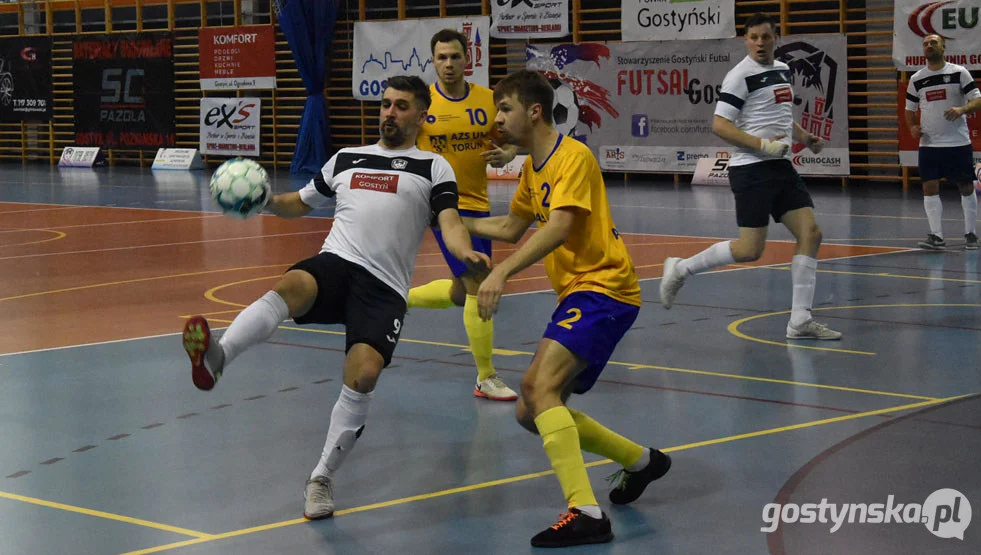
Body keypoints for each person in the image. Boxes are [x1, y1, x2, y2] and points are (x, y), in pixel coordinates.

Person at [181, 75, 490, 520]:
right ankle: (219, 355)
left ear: (422, 116)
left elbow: (450, 221)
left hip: (384, 287)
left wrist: (463, 254)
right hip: (338, 262)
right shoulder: (347, 158)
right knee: (292, 285)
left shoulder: (433, 167)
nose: (390, 112)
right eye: (385, 104)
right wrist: (264, 200)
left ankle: (321, 476)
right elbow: (299, 203)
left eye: (402, 106)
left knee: (363, 374)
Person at [464, 69, 671, 547]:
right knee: (529, 410)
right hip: (580, 292)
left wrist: (500, 273)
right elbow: (513, 226)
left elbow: (557, 228)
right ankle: (642, 461)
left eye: (506, 109)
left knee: (538, 388)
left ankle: (587, 513)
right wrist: (451, 218)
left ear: (534, 111)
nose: (498, 118)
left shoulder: (571, 157)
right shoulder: (532, 168)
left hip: (604, 287)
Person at [660, 12, 842, 341]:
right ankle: (680, 268)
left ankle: (799, 320)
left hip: (781, 167)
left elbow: (781, 116)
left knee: (811, 234)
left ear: (776, 38)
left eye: (765, 37)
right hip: (751, 170)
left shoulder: (783, 70)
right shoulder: (739, 76)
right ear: (746, 40)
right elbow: (720, 125)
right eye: (753, 37)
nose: (760, 43)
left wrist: (804, 137)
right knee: (749, 250)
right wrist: (762, 146)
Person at [408, 29, 520, 401]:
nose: (449, 64)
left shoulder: (489, 100)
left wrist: (507, 154)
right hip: (441, 205)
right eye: (442, 57)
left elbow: (515, 135)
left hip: (479, 204)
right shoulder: (422, 105)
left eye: (456, 56)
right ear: (433, 60)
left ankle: (396, 297)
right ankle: (486, 377)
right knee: (477, 283)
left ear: (466, 59)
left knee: (461, 291)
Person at [904, 33, 981, 251]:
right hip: (929, 145)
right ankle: (936, 236)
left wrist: (962, 109)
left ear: (943, 46)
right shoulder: (916, 79)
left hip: (957, 143)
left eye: (933, 43)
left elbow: (978, 99)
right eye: (926, 44)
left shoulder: (959, 73)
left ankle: (971, 234)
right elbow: (909, 110)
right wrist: (912, 127)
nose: (929, 46)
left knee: (966, 186)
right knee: (929, 187)